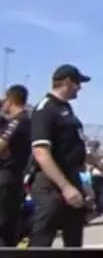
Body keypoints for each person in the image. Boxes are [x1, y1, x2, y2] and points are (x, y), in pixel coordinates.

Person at [29, 64, 102, 247]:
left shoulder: (67, 109)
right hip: (51, 184)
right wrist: (65, 187)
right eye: (78, 83)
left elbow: (78, 147)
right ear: (68, 82)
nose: (80, 88)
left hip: (72, 178)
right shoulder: (45, 109)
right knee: (42, 240)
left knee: (74, 238)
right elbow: (41, 152)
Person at [0, 85, 31, 246]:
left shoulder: (17, 121)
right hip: (14, 178)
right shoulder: (26, 120)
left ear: (10, 100)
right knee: (9, 225)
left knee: (4, 226)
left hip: (6, 179)